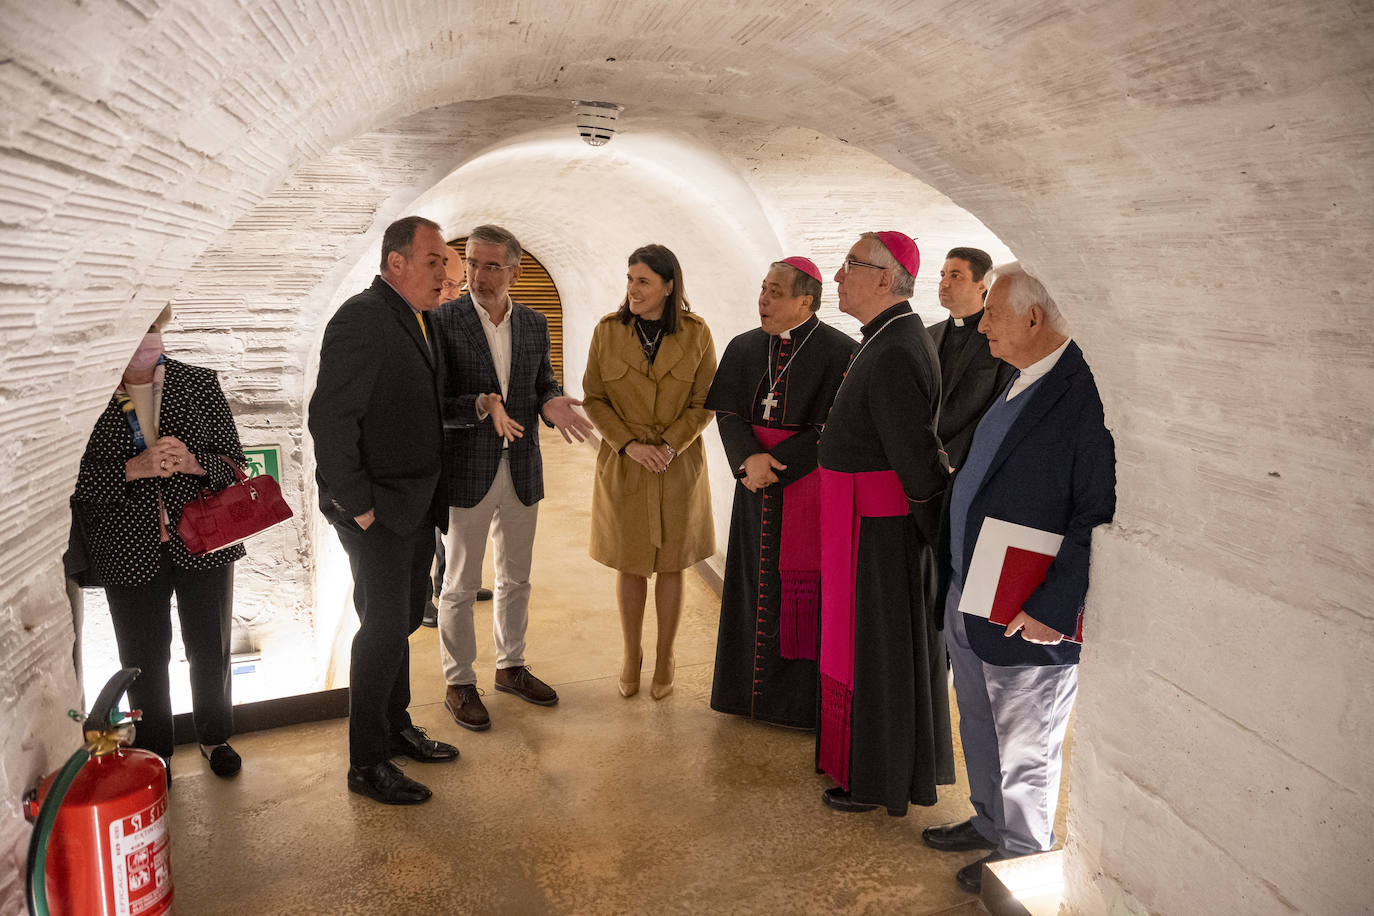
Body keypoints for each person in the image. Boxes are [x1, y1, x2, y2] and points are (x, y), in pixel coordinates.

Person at [923, 262, 1116, 893]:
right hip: (972, 589)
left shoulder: (1085, 393)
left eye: (994, 314)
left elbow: (1096, 513)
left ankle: (1023, 858)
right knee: (979, 720)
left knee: (1025, 746)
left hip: (1025, 608)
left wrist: (1055, 609)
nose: (982, 325)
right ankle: (989, 823)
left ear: (1034, 318)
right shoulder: (1021, 376)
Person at [309, 215, 459, 806]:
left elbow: (413, 403)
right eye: (433, 261)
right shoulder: (361, 319)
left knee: (398, 621)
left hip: (413, 503)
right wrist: (360, 506)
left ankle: (396, 726)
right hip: (378, 509)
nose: (444, 272)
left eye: (444, 262)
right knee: (380, 629)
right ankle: (366, 762)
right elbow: (331, 418)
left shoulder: (416, 320)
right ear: (395, 262)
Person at [815, 231, 954, 817]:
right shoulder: (885, 338)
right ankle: (865, 764)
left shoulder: (896, 348)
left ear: (884, 278)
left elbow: (917, 461)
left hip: (879, 533)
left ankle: (879, 777)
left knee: (880, 659)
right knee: (868, 654)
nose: (839, 275)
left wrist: (930, 540)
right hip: (864, 527)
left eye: (850, 264)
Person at [431, 225, 593, 731]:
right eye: (473, 264)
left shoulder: (534, 322)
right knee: (459, 585)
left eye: (491, 266)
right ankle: (459, 682)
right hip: (467, 470)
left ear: (515, 273)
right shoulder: (443, 321)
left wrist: (553, 400)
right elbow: (436, 403)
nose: (479, 275)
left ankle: (511, 666)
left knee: (516, 578)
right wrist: (481, 405)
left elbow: (542, 380)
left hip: (521, 467)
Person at [73, 304, 245, 779]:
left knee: (210, 644)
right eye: (135, 330)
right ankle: (156, 752)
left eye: (152, 328)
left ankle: (215, 737)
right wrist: (131, 469)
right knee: (143, 655)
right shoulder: (86, 397)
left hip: (204, 539)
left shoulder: (199, 384)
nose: (146, 338)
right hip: (126, 546)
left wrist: (193, 462)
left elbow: (236, 463)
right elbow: (71, 481)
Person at [706, 257, 854, 728]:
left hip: (805, 489)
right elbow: (726, 411)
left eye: (775, 292)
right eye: (762, 289)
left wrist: (777, 468)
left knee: (801, 596)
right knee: (749, 584)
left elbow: (832, 426)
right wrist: (748, 459)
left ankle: (795, 706)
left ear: (804, 302)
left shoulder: (841, 352)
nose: (763, 300)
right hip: (753, 484)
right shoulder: (744, 346)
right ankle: (742, 697)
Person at [583, 244, 717, 700]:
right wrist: (630, 445)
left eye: (643, 281)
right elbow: (595, 399)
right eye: (630, 279)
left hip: (677, 466)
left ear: (668, 285)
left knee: (674, 563)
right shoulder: (608, 332)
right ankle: (631, 653)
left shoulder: (697, 334)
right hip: (626, 465)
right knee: (631, 562)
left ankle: (665, 655)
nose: (633, 289)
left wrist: (668, 445)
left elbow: (705, 403)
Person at [928, 247, 1015, 470]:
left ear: (983, 284)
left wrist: (950, 459)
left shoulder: (1001, 339)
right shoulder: (927, 335)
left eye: (955, 276)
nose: (944, 283)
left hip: (969, 462)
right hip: (918, 460)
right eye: (942, 275)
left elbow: (997, 408)